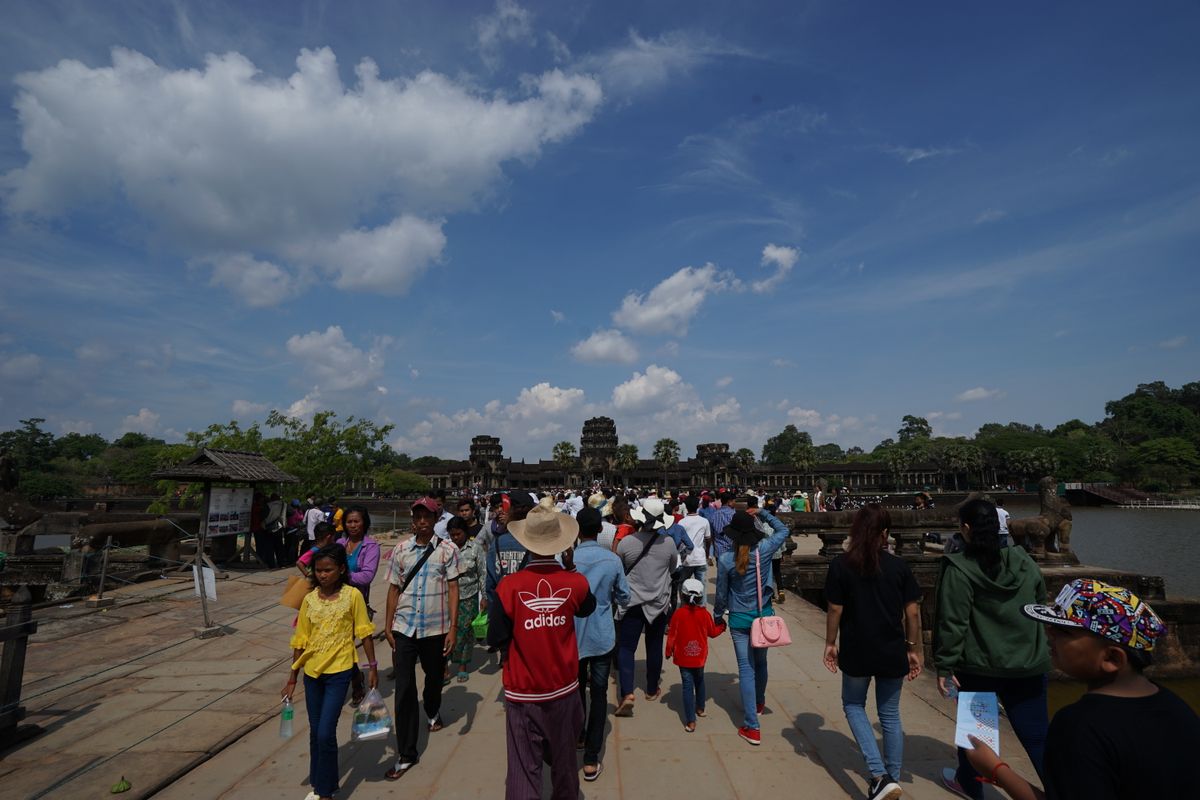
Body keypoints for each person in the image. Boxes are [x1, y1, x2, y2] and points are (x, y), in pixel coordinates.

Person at [962, 578, 1199, 800]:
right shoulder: (1178, 708)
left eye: (1064, 631)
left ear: (1112, 659)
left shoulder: (1077, 726)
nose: (1049, 633)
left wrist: (996, 769)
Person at [935, 499, 1050, 799]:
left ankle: (971, 786)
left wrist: (945, 666)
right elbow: (1040, 602)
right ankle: (1062, 789)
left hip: (979, 666)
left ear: (966, 528)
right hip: (1028, 661)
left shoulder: (959, 568)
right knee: (1037, 737)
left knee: (975, 735)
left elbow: (953, 622)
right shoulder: (1024, 560)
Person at [487, 505, 596, 800]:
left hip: (523, 692)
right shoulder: (575, 583)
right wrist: (570, 568)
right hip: (564, 689)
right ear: (562, 544)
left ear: (526, 543)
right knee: (564, 764)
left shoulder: (509, 587)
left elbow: (495, 637)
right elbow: (589, 608)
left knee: (524, 769)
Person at [823, 504, 923, 800]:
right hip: (892, 648)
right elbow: (913, 612)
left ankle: (879, 776)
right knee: (889, 715)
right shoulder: (898, 567)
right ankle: (891, 776)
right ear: (885, 534)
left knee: (854, 705)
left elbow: (835, 608)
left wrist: (830, 643)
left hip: (856, 649)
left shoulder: (841, 565)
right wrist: (913, 648)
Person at [282, 544, 377, 800]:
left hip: (339, 672)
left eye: (328, 570)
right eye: (318, 570)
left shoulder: (352, 596)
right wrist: (292, 677)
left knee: (326, 732)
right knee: (315, 732)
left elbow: (365, 632)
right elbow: (300, 640)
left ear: (341, 570)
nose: (323, 575)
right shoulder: (309, 600)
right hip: (312, 675)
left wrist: (372, 667)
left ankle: (326, 792)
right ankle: (319, 780)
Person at [383, 497, 460, 781]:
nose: (422, 521)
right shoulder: (400, 550)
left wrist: (453, 627)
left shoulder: (448, 550)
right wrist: (388, 625)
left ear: (435, 518)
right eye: (417, 516)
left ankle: (432, 707)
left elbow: (453, 589)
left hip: (436, 626)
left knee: (434, 676)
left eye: (427, 516)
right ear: (412, 519)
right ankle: (406, 753)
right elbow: (393, 589)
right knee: (403, 689)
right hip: (405, 626)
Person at [713, 505, 790, 745]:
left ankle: (752, 727)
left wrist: (717, 616)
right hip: (762, 616)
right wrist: (763, 514)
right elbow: (783, 530)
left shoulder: (726, 560)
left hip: (739, 618)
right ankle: (758, 702)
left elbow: (722, 595)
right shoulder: (764, 550)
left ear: (733, 536)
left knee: (746, 669)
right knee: (761, 662)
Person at [614, 500, 691, 717]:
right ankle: (650, 689)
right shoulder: (667, 543)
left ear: (639, 518)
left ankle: (627, 692)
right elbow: (673, 567)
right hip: (658, 602)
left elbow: (620, 569)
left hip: (632, 602)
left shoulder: (626, 543)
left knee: (627, 647)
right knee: (654, 644)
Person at [572, 506, 630, 781]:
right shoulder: (612, 560)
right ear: (599, 530)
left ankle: (578, 735)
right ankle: (592, 759)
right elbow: (624, 596)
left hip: (571, 637)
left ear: (577, 530)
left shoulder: (566, 561)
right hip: (602, 636)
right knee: (599, 693)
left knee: (574, 691)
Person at [666, 578, 725, 732]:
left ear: (682, 596)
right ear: (700, 597)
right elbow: (712, 632)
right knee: (699, 680)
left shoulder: (678, 614)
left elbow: (672, 635)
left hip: (683, 657)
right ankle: (700, 707)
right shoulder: (705, 614)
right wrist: (723, 626)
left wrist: (668, 651)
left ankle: (691, 721)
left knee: (687, 686)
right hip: (699, 656)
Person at [446, 516, 484, 683]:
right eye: (452, 535)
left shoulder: (475, 548)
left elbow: (482, 573)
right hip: (447, 597)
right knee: (445, 632)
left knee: (465, 632)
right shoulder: (445, 548)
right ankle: (444, 667)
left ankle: (462, 665)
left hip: (469, 596)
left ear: (465, 532)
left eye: (458, 534)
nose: (455, 538)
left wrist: (485, 597)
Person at [677, 495, 712, 588]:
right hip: (700, 557)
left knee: (683, 584)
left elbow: (679, 541)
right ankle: (702, 603)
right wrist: (707, 554)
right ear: (698, 506)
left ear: (686, 507)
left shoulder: (681, 522)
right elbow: (708, 539)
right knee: (701, 586)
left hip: (686, 559)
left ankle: (684, 602)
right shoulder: (704, 521)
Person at [257, 493, 286, 568]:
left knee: (269, 547)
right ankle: (281, 563)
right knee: (279, 546)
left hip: (269, 528)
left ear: (271, 498)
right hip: (279, 527)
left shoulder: (268, 505)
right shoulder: (283, 504)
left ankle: (271, 564)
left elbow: (262, 516)